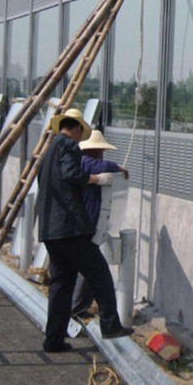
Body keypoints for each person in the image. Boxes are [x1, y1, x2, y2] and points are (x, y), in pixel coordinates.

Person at [36, 108, 133, 352]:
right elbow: (71, 174)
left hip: (50, 229)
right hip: (69, 228)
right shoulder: (68, 145)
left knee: (61, 283)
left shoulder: (48, 152)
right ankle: (111, 325)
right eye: (82, 133)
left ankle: (54, 340)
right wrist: (97, 179)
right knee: (99, 273)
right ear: (77, 128)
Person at [71, 129, 128, 317]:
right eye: (100, 150)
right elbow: (106, 166)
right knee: (92, 269)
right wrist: (120, 168)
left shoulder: (77, 163)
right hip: (87, 223)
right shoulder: (88, 163)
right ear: (95, 150)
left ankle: (78, 307)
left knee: (88, 269)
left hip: (80, 223)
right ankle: (76, 309)